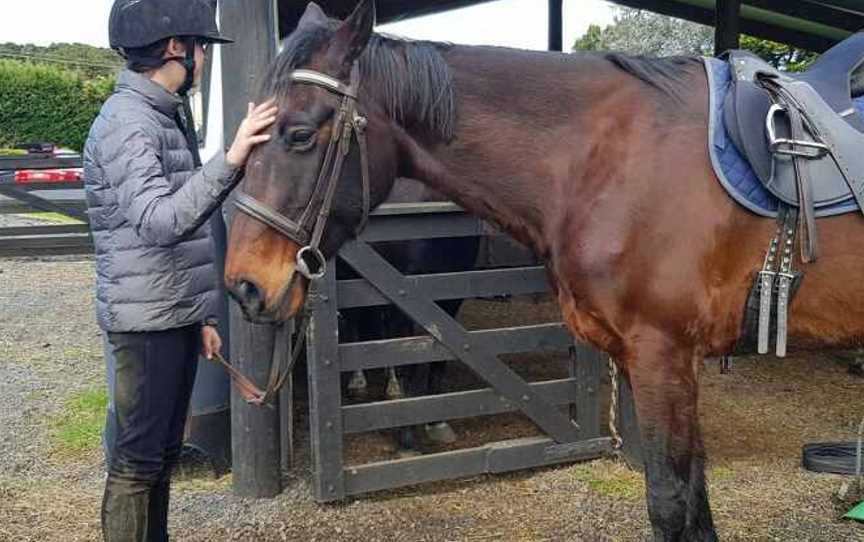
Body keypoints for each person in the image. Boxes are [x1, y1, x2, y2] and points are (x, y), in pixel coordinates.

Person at [84, 1, 276, 540]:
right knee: (137, 462)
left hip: (170, 313)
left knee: (161, 454)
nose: (205, 60)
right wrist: (233, 157)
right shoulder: (127, 123)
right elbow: (160, 220)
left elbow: (183, 234)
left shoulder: (163, 114)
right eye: (202, 47)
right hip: (144, 322)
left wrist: (202, 318)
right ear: (176, 49)